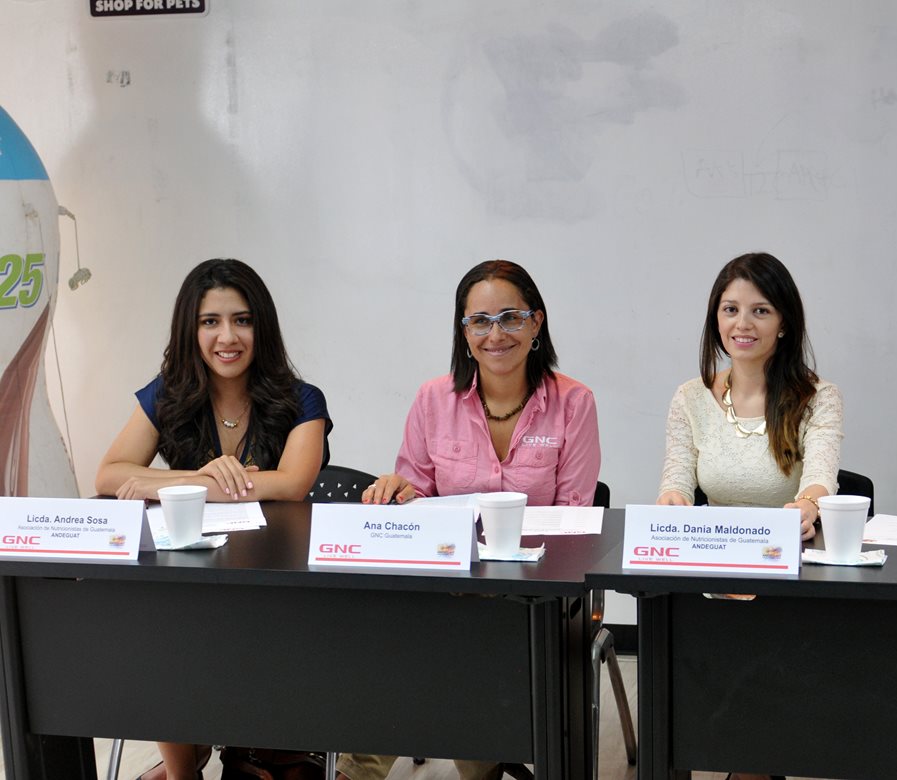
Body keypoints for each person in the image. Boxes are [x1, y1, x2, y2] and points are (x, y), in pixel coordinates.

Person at [340, 259, 600, 780]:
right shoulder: (433, 399)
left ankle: (375, 769)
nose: (494, 333)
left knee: (443, 642)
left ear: (537, 323)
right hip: (449, 584)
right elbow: (417, 498)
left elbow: (574, 520)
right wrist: (397, 492)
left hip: (532, 594)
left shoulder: (574, 403)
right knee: (416, 632)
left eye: (510, 317)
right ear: (463, 332)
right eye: (478, 321)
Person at [96, 258, 332, 780]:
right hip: (189, 584)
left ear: (261, 327)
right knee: (157, 635)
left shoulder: (300, 401)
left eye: (242, 320)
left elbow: (291, 482)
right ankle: (186, 770)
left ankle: (241, 751)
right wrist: (208, 478)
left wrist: (176, 483)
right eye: (210, 321)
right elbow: (109, 473)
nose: (228, 336)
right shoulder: (168, 394)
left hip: (278, 589)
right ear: (191, 329)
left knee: (182, 638)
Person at [657, 251, 843, 542]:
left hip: (788, 554)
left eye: (761, 311)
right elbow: (676, 482)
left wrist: (808, 505)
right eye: (731, 309)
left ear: (784, 323)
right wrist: (672, 500)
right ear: (716, 318)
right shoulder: (690, 397)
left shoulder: (818, 398)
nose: (742, 324)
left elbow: (820, 479)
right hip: (712, 556)